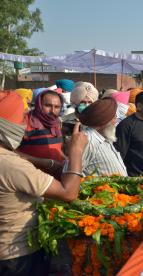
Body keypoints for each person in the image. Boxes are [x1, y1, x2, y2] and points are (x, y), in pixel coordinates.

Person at [0, 91, 87, 275]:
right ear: (7, 124)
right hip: (16, 254)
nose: (25, 122)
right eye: (22, 117)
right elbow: (69, 193)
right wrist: (76, 152)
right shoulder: (11, 165)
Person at [76, 97, 127, 176]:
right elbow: (72, 173)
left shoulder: (105, 138)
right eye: (114, 118)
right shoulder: (88, 140)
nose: (116, 121)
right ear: (104, 120)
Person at [17, 90, 66, 162]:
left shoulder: (56, 123)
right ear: (39, 104)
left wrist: (66, 159)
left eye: (57, 107)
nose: (52, 110)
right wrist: (44, 163)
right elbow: (11, 151)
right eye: (48, 105)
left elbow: (57, 149)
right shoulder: (24, 121)